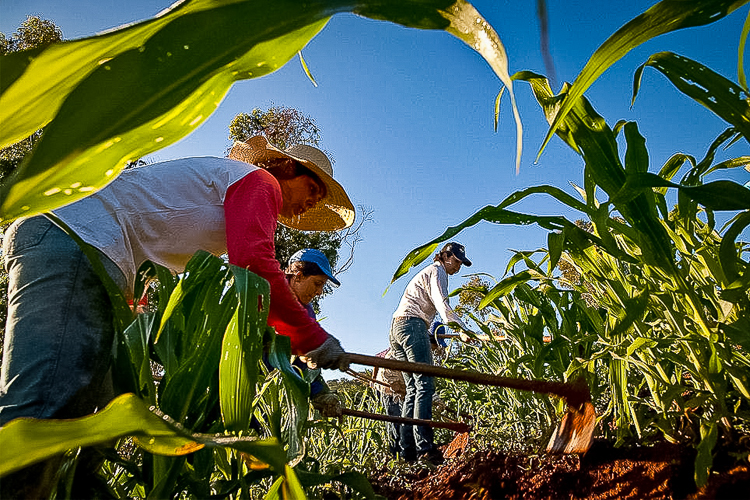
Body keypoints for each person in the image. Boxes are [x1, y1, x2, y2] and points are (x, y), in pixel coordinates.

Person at [0, 136, 353, 497]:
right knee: (44, 405)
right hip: (74, 239)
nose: (312, 202)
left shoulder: (233, 186)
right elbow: (254, 263)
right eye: (312, 189)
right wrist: (312, 339)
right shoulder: (258, 181)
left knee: (98, 418)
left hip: (91, 255)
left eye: (320, 200)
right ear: (288, 169)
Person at [388, 242, 472, 465]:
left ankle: (408, 453)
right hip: (413, 325)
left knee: (413, 389)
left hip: (397, 328)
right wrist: (462, 329)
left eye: (461, 264)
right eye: (456, 261)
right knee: (424, 385)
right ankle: (425, 448)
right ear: (445, 257)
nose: (458, 267)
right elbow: (442, 306)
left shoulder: (429, 272)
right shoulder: (437, 271)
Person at [283, 248, 344, 418]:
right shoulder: (268, 291)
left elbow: (305, 362)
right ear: (298, 275)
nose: (319, 292)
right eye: (318, 283)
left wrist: (321, 393)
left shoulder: (307, 312)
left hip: (280, 387)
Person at [372, 348, 407, 458]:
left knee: (404, 417)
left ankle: (406, 448)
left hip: (401, 385)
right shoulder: (392, 352)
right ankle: (395, 453)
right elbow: (376, 360)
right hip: (386, 386)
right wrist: (373, 380)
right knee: (394, 418)